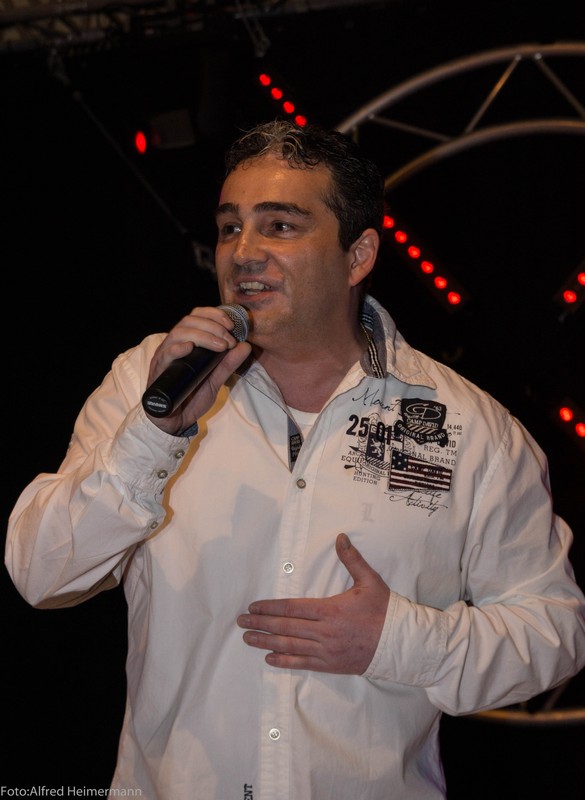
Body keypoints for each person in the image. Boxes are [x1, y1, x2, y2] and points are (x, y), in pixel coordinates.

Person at [5, 119, 585, 800]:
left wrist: (398, 641)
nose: (243, 252)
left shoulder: (469, 427)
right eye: (230, 227)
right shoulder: (147, 380)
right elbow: (40, 572)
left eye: (279, 226)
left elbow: (553, 631)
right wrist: (154, 435)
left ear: (357, 256)